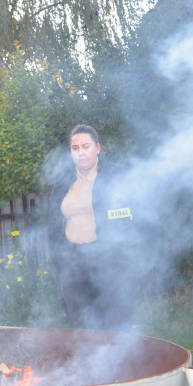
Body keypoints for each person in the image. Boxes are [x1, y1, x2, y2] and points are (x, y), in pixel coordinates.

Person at [48, 124, 135, 331]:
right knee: (79, 325)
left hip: (109, 261)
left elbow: (136, 221)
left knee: (114, 324)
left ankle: (117, 363)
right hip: (72, 262)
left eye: (85, 146)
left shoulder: (117, 176)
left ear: (97, 148)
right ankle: (86, 363)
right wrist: (59, 259)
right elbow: (52, 225)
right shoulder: (62, 182)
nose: (80, 153)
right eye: (75, 148)